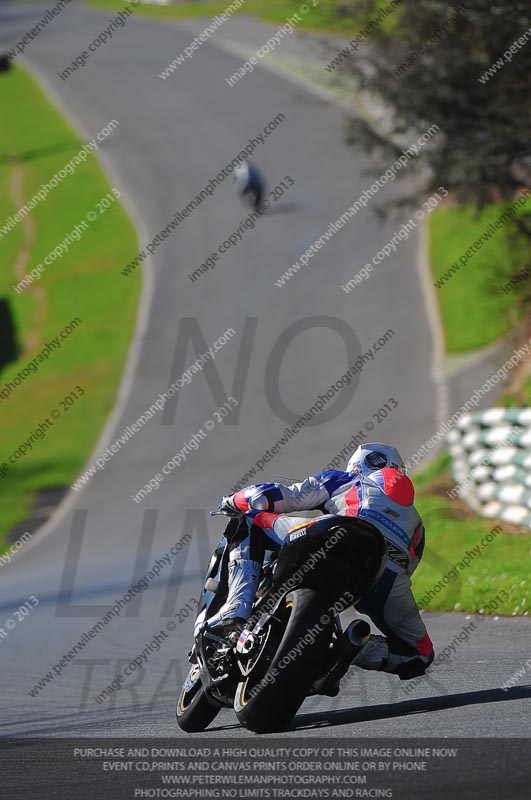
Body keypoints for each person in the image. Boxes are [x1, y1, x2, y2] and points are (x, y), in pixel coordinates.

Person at [207, 443, 434, 690]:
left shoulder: (345, 479)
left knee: (250, 521)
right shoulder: (417, 524)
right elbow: (410, 566)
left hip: (337, 535)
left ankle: (237, 606)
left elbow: (279, 497)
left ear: (358, 465)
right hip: (384, 573)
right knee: (420, 653)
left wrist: (234, 500)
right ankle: (347, 649)